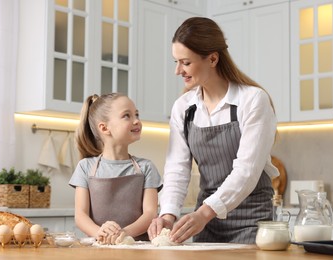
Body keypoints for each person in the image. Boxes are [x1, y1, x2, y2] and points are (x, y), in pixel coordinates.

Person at [147, 17, 279, 244]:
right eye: (176, 62)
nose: (178, 71)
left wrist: (204, 213)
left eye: (185, 63)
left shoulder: (253, 100)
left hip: (251, 222)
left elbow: (246, 171)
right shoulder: (184, 108)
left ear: (213, 59)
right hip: (207, 223)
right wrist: (168, 214)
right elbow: (177, 169)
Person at [69, 93, 162, 244]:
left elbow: (150, 213)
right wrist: (100, 233)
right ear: (104, 128)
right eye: (127, 115)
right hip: (99, 246)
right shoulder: (85, 167)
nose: (137, 120)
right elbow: (80, 216)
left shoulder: (146, 167)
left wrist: (123, 233)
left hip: (138, 248)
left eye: (136, 114)